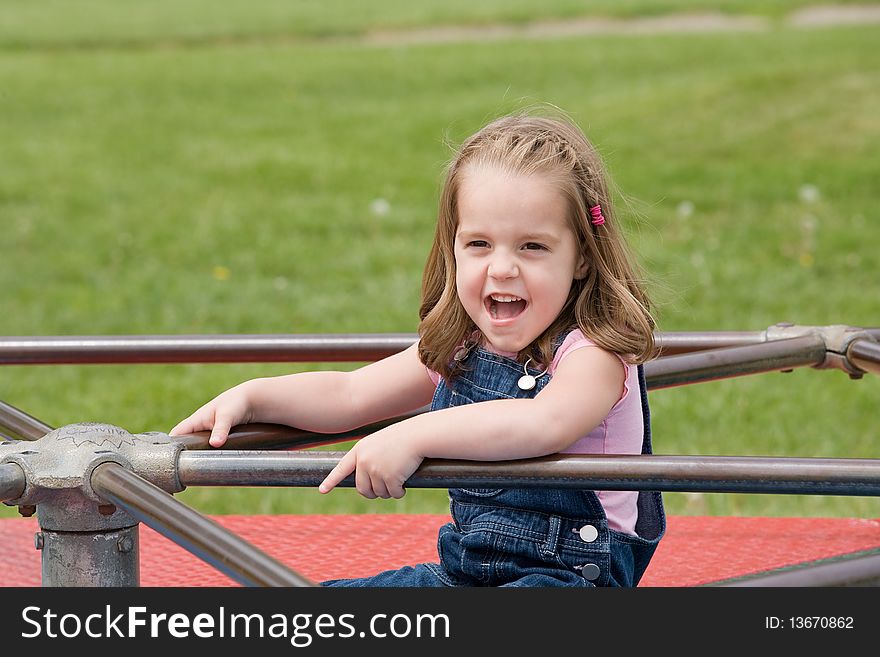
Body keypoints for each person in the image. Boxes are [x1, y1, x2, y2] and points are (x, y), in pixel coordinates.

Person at [170, 111, 665, 587]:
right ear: (452, 247)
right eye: (478, 244)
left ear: (581, 257)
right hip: (465, 576)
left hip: (569, 581)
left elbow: (541, 424)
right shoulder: (464, 349)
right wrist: (255, 396)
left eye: (532, 247)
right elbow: (350, 395)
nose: (502, 268)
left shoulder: (592, 355)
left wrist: (413, 435)